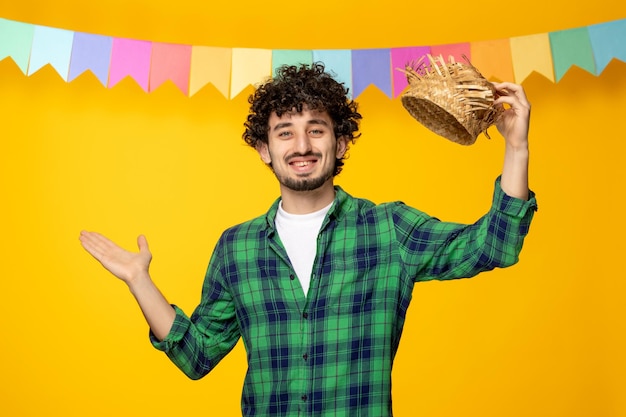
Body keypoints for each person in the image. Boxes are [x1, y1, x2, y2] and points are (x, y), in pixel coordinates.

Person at [79, 63, 537, 416]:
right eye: (285, 133)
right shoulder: (236, 249)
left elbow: (493, 245)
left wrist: (516, 147)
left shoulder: (388, 229)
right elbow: (196, 355)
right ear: (265, 149)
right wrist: (139, 280)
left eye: (316, 130)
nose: (301, 145)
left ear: (339, 144)